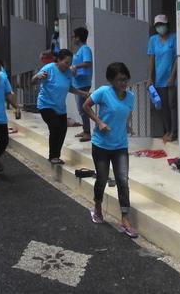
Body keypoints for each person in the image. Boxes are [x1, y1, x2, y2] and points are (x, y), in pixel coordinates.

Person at [82, 62, 137, 238]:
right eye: (119, 79)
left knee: (123, 180)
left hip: (120, 145)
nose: (123, 83)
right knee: (102, 178)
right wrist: (99, 122)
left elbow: (128, 112)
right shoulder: (103, 92)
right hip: (101, 145)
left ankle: (125, 218)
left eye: (125, 79)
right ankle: (97, 206)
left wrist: (128, 125)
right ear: (111, 80)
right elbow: (86, 106)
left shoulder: (130, 97)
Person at [32, 49, 89, 164]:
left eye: (70, 63)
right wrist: (38, 77)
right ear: (58, 60)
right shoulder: (48, 69)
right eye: (66, 63)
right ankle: (52, 156)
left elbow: (69, 88)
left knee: (62, 130)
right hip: (45, 104)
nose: (68, 66)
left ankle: (56, 156)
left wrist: (83, 93)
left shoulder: (68, 72)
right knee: (55, 126)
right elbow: (33, 81)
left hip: (60, 107)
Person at [147, 14, 178, 143]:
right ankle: (167, 130)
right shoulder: (153, 40)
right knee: (162, 106)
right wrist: (150, 77)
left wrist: (172, 76)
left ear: (167, 25)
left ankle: (174, 132)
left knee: (172, 105)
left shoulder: (174, 37)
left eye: (162, 24)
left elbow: (177, 58)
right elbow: (151, 60)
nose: (160, 27)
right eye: (158, 25)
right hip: (159, 79)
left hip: (172, 79)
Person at [70, 27, 93, 142]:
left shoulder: (85, 49)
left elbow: (87, 62)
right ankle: (85, 130)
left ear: (78, 38)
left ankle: (88, 132)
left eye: (74, 36)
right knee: (81, 109)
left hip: (83, 83)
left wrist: (75, 67)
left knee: (83, 108)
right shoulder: (80, 50)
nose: (72, 38)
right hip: (78, 82)